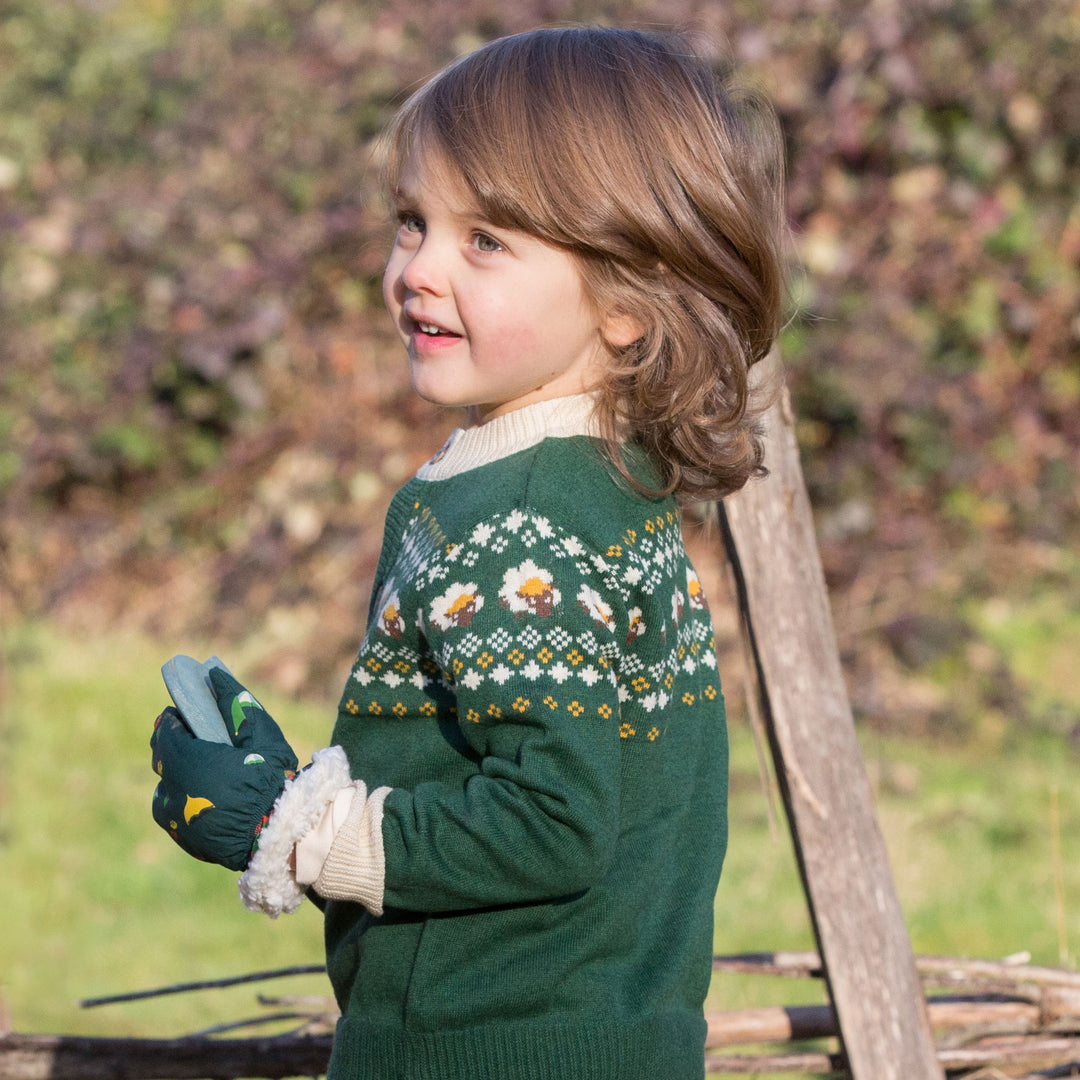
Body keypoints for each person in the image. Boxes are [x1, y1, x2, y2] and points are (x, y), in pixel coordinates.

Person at [150, 25, 786, 1080]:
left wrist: (297, 830)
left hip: (482, 1044)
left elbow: (552, 821)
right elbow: (536, 772)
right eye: (413, 221)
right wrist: (312, 786)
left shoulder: (519, 519)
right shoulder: (593, 483)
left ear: (627, 303)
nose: (419, 270)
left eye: (486, 239)